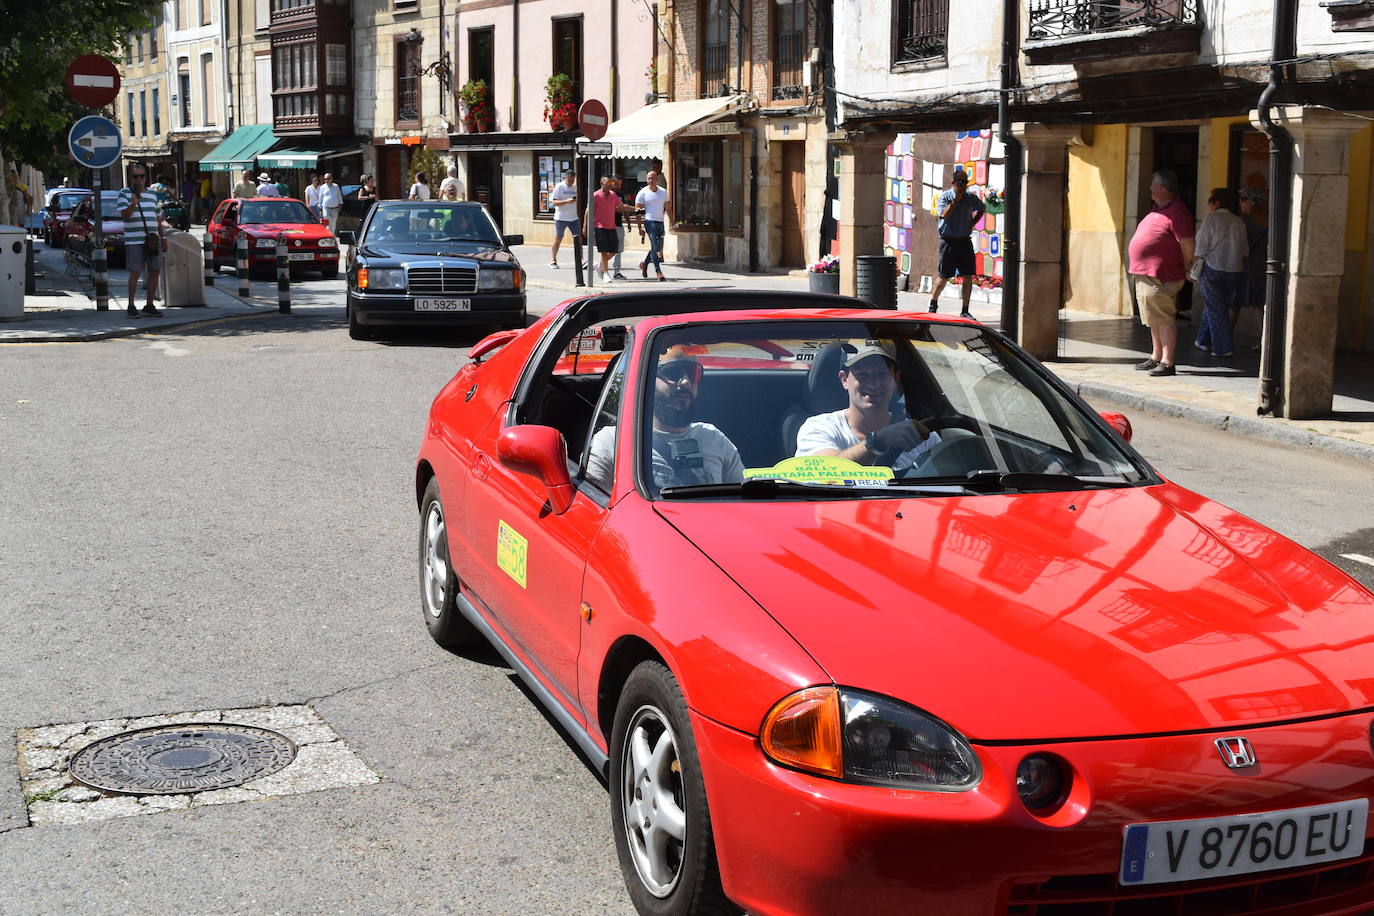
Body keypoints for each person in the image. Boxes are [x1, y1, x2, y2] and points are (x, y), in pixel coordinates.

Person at [585, 346, 744, 492]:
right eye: (673, 372)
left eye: (693, 373)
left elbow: (744, 499)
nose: (686, 381)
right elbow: (592, 511)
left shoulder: (714, 438)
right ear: (645, 379)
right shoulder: (612, 442)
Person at [795, 343, 941, 473]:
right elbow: (824, 472)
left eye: (882, 374)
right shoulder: (818, 427)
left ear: (895, 379)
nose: (874, 384)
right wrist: (878, 441)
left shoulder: (922, 436)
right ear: (844, 380)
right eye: (863, 375)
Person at [1127, 169, 1195, 378]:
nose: (1150, 189)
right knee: (1152, 318)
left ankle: (1168, 361)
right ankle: (1156, 356)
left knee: (1163, 318)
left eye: (1153, 185)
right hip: (1146, 273)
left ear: (1163, 188)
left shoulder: (1178, 212)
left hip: (1161, 274)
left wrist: (1186, 266)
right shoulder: (1159, 209)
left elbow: (1187, 244)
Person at [1191, 188, 1248, 360]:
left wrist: (1192, 266)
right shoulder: (1239, 222)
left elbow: (1201, 247)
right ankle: (1203, 339)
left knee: (1216, 308)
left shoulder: (1211, 220)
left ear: (1216, 203)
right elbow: (1245, 250)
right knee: (1215, 306)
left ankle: (1223, 348)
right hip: (1234, 269)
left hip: (1213, 268)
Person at [929, 169, 986, 319]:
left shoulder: (970, 198)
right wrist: (955, 203)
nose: (963, 186)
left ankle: (965, 309)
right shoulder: (946, 197)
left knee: (967, 276)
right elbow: (944, 215)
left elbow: (982, 208)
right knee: (943, 276)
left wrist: (973, 222)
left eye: (965, 182)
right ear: (953, 183)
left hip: (964, 241)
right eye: (960, 182)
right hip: (948, 241)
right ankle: (933, 304)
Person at [117, 166, 164, 318]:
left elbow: (158, 218)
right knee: (135, 272)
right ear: (131, 178)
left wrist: (164, 238)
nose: (139, 180)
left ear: (146, 178)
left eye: (142, 176)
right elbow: (125, 216)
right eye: (136, 177)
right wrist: (134, 202)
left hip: (152, 239)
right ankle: (131, 305)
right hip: (134, 240)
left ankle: (149, 305)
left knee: (155, 271)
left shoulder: (152, 194)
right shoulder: (124, 193)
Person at [1235, 187, 1268, 335]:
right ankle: (1263, 338)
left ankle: (1264, 339)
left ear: (1251, 203)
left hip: (1253, 267)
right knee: (1259, 305)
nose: (1240, 203)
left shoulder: (1244, 221)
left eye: (1243, 200)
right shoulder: (1267, 221)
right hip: (1262, 265)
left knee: (1256, 305)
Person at [635, 170, 672, 281]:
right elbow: (638, 211)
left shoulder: (663, 192)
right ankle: (658, 271)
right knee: (655, 248)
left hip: (660, 222)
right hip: (649, 222)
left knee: (657, 247)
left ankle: (644, 263)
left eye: (653, 178)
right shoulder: (642, 193)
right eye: (649, 178)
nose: (651, 180)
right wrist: (640, 227)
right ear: (647, 180)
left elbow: (668, 207)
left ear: (656, 179)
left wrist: (672, 221)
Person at [591, 176, 621, 281]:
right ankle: (606, 273)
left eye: (610, 183)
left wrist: (635, 208)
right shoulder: (595, 195)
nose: (610, 184)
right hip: (599, 226)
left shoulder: (613, 195)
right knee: (604, 251)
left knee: (614, 251)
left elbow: (621, 206)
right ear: (602, 183)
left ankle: (600, 265)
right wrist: (586, 225)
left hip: (611, 226)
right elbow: (588, 211)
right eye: (608, 183)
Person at [549, 171, 579, 269]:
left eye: (573, 179)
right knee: (558, 239)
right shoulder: (559, 187)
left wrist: (573, 200)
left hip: (573, 217)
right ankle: (553, 260)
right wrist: (566, 201)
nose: (571, 182)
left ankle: (581, 260)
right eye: (570, 180)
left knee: (578, 239)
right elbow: (553, 202)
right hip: (561, 217)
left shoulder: (574, 187)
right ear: (566, 178)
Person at [609, 176, 635, 280]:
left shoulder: (619, 194)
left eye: (620, 184)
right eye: (617, 184)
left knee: (619, 249)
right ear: (611, 183)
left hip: (619, 224)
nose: (619, 186)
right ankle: (601, 265)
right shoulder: (609, 194)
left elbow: (623, 208)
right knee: (612, 249)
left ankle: (616, 271)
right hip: (609, 224)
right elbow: (618, 208)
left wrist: (628, 222)